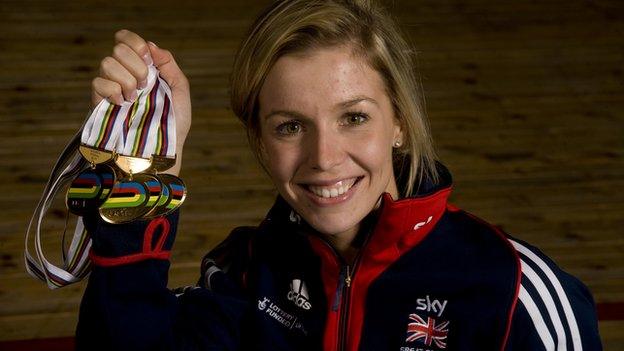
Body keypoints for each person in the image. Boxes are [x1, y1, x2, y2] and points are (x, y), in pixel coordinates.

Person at [75, 0, 602, 350]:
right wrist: (141, 176)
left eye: (354, 117)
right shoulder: (242, 274)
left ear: (399, 120)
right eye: (289, 127)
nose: (324, 156)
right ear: (260, 139)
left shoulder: (516, 291)